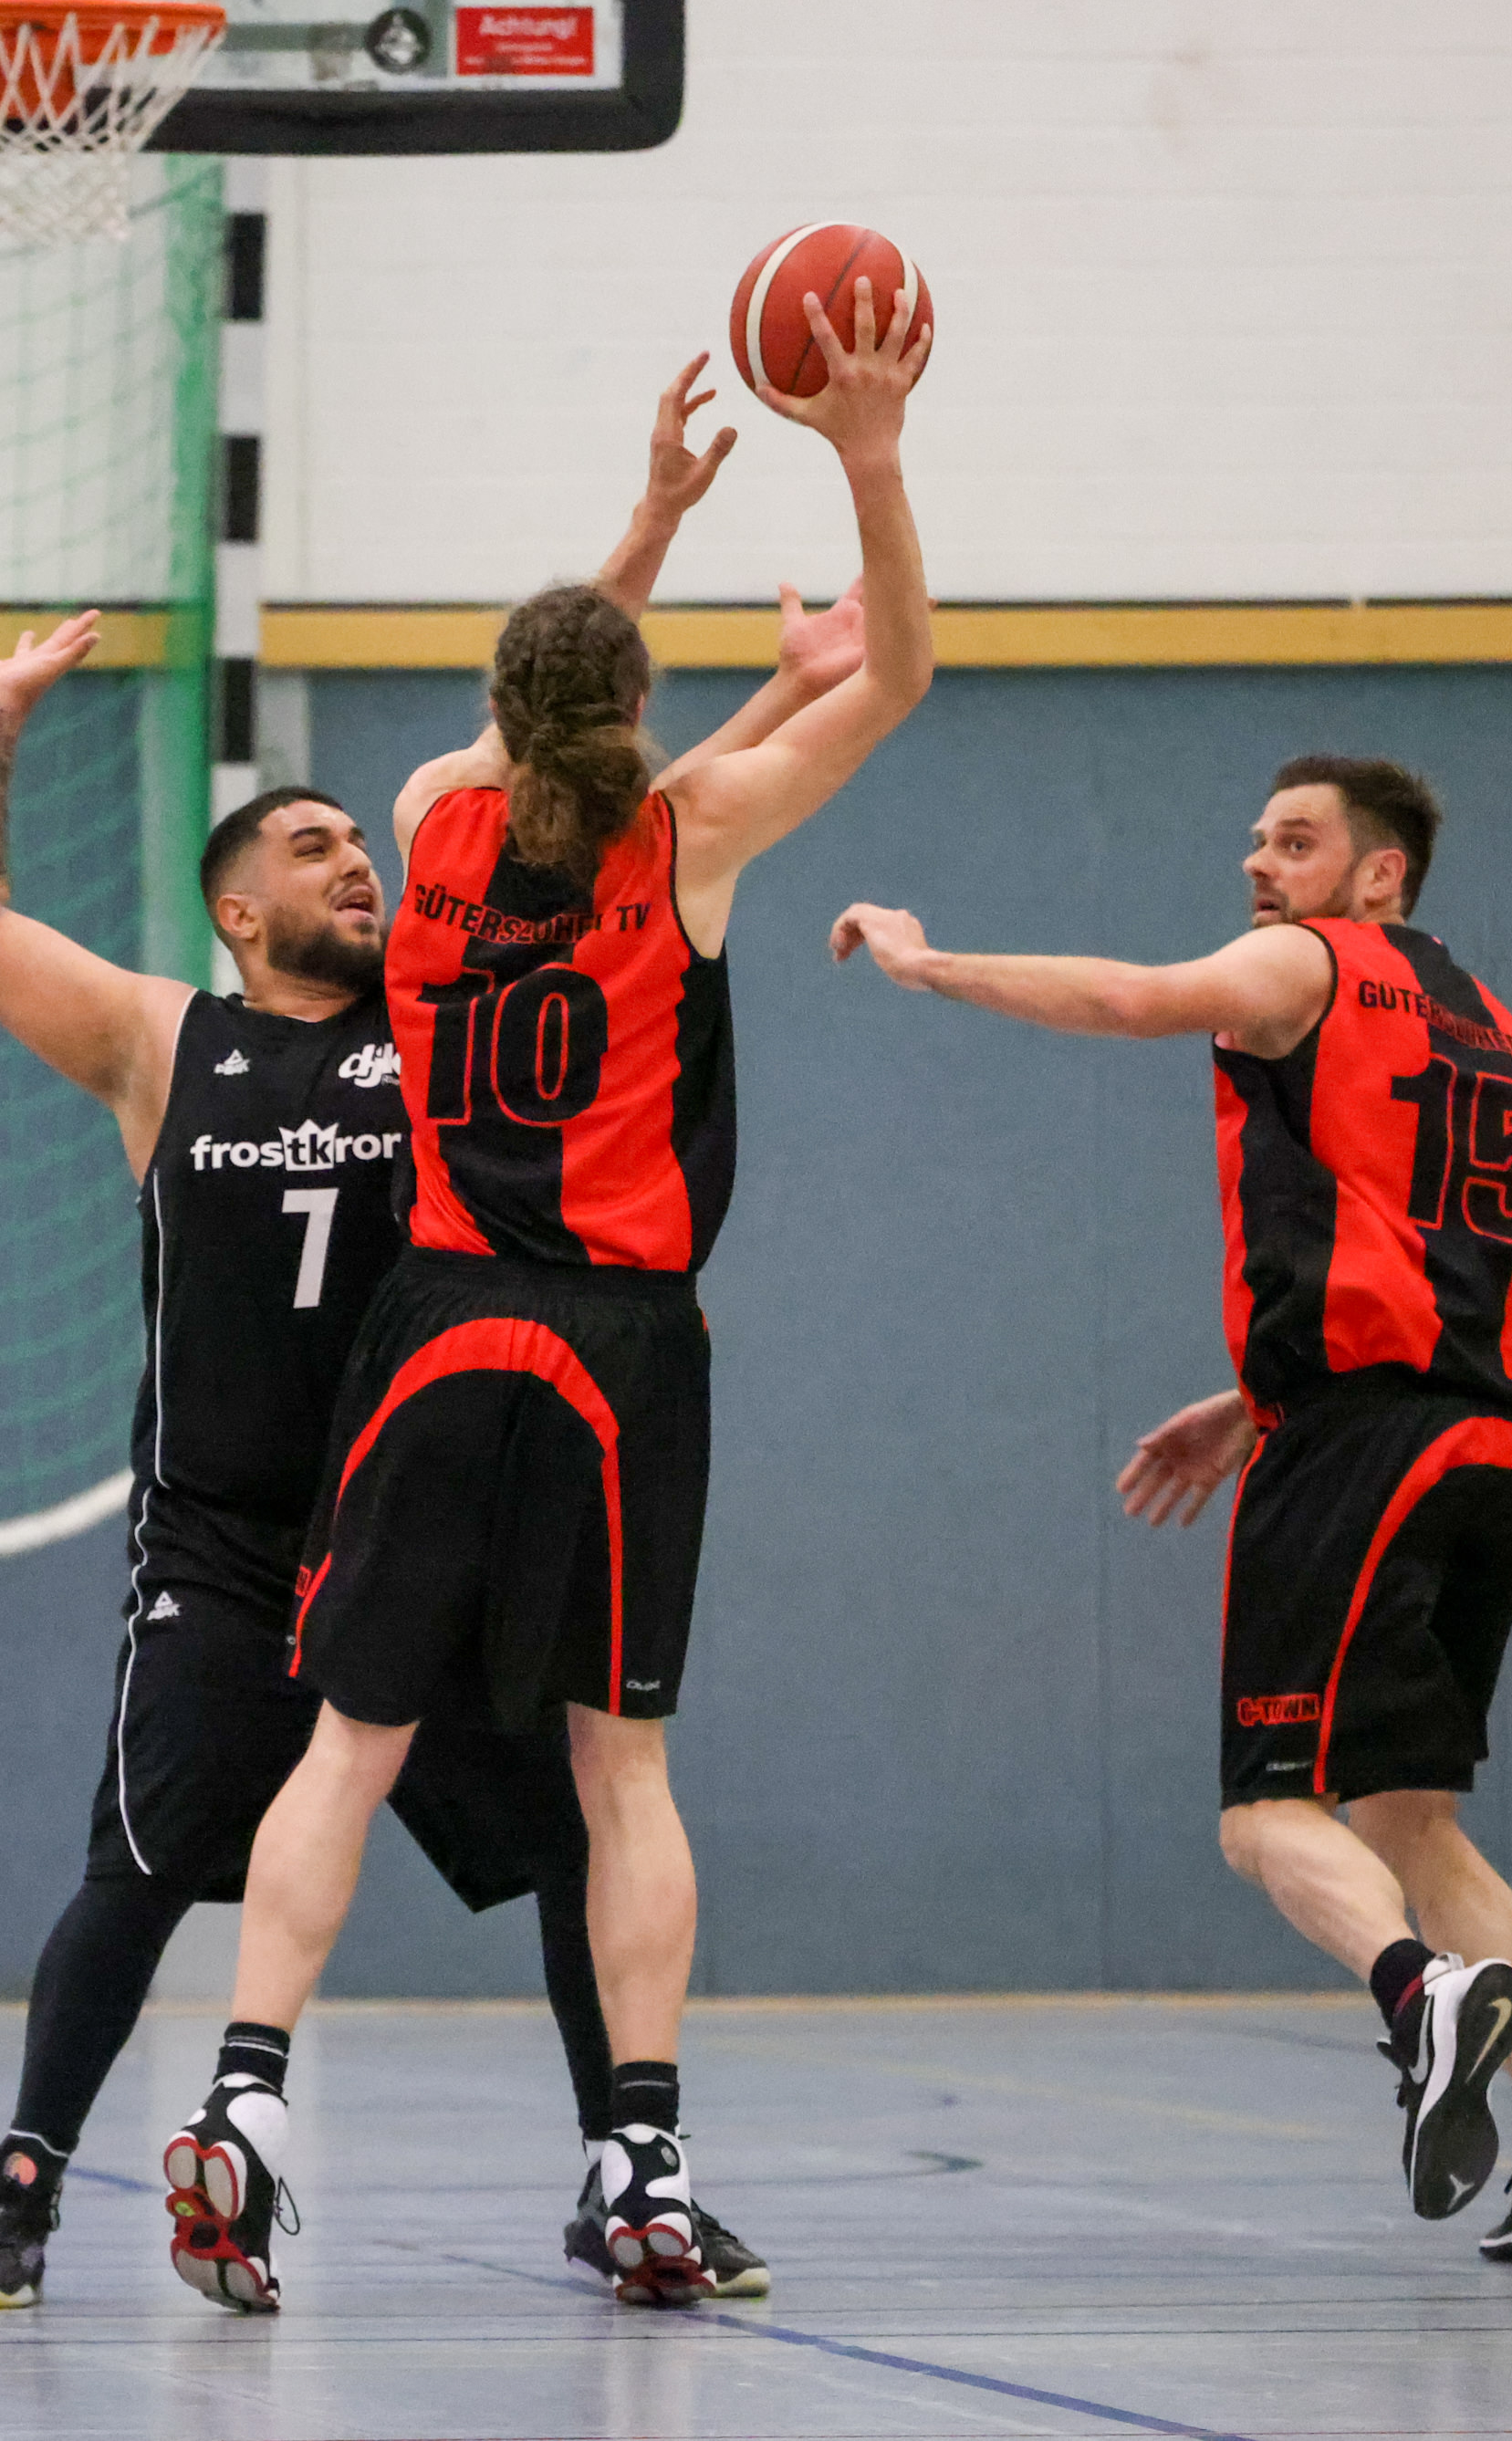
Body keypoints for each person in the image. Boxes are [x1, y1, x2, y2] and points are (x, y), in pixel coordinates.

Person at [0, 361, 841, 2311]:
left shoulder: (452, 1009)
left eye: (366, 836)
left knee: (579, 1831)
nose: (357, 857)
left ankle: (627, 2171)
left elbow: (586, 771)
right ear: (236, 908)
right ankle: (20, 2185)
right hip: (225, 1540)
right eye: (311, 846)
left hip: (433, 1500)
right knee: (139, 1870)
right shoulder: (161, 1040)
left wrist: (659, 546)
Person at [160, 287, 935, 2313]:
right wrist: (864, 452)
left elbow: (545, 696)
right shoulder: (690, 833)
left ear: (501, 703)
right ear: (638, 707)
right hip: (612, 1344)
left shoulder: (429, 817)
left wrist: (648, 515)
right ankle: (644, 2151)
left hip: (432, 1324)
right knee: (620, 1773)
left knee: (346, 1743)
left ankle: (243, 2095)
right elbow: (902, 672)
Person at [832, 757, 1512, 2262]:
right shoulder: (1495, 1026)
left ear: (1380, 873)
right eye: (1257, 840)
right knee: (1407, 1818)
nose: (1261, 864)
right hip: (1500, 1447)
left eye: (1296, 840)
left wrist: (931, 965)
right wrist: (1253, 1387)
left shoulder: (1310, 964)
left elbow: (1133, 997)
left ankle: (1419, 1997)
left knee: (1263, 1814)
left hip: (1363, 1440)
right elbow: (1480, 1242)